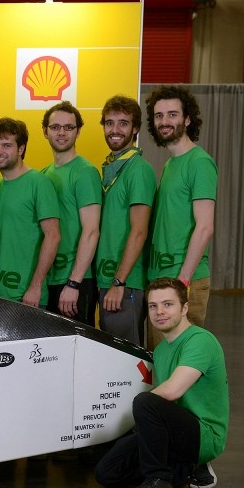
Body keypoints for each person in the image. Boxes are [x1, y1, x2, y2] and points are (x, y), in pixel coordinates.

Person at [95, 277, 229, 488]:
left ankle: (159, 481)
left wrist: (136, 413)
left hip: (204, 435)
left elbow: (171, 392)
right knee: (107, 472)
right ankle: (184, 468)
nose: (159, 312)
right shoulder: (160, 351)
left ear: (184, 308)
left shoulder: (200, 341)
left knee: (145, 401)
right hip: (174, 430)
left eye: (168, 304)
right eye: (153, 306)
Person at [145, 85, 218, 349]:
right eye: (159, 116)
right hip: (161, 278)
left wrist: (182, 281)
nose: (164, 121)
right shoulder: (170, 163)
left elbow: (205, 227)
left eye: (172, 114)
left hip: (183, 280)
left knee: (182, 359)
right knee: (161, 357)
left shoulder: (199, 162)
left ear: (187, 119)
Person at [95, 95, 155, 345]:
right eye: (110, 123)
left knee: (127, 357)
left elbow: (139, 231)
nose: (115, 130)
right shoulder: (111, 168)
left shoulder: (138, 170)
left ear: (136, 128)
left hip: (125, 283)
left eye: (123, 123)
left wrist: (119, 282)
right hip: (106, 277)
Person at [0, 117, 61, 307]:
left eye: (6, 145)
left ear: (21, 149)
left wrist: (35, 286)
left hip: (26, 297)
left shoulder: (39, 183)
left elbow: (53, 236)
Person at [41, 101, 101, 325]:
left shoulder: (85, 172)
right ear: (45, 131)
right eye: (55, 127)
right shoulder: (44, 174)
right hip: (50, 278)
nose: (62, 133)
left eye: (68, 127)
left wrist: (74, 283)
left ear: (78, 131)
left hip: (76, 282)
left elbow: (91, 231)